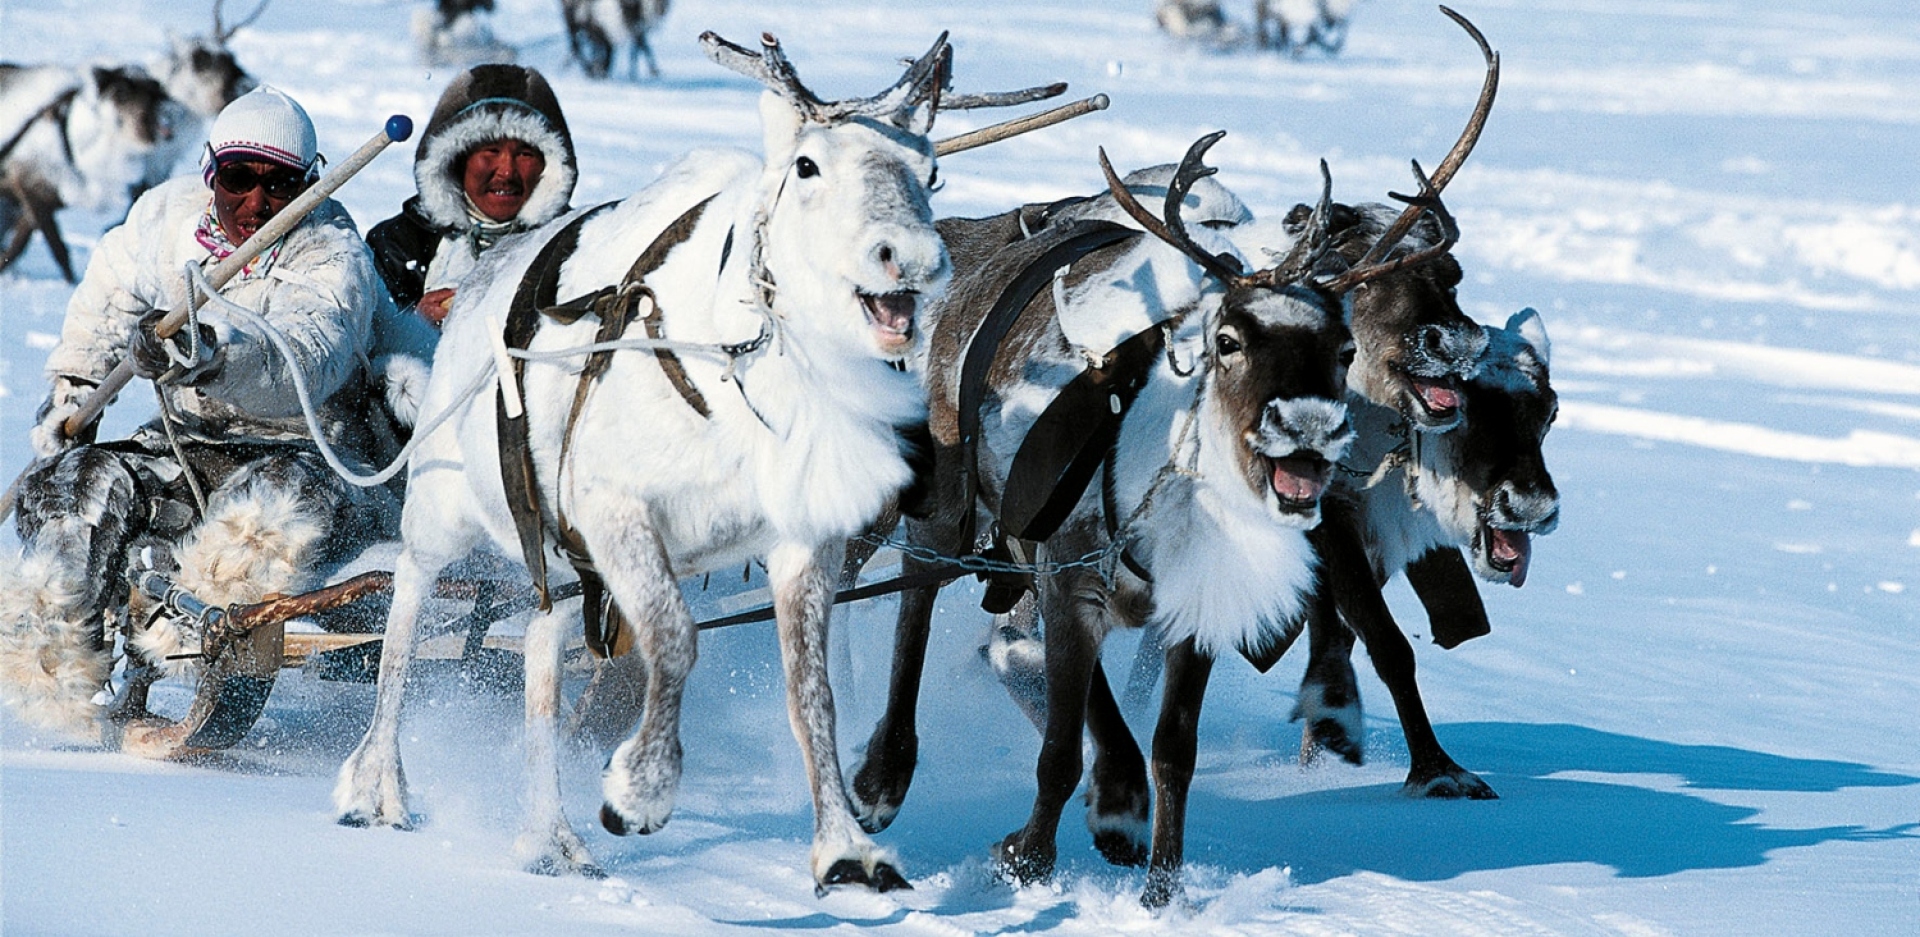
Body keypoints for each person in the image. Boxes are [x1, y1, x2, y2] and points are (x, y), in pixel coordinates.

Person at [0, 87, 415, 737]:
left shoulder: (334, 251)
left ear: (311, 181)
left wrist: (211, 354)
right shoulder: (163, 221)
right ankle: (60, 673)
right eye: (239, 177)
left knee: (269, 506)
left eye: (279, 184)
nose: (257, 201)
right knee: (74, 484)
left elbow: (306, 358)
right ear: (209, 169)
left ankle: (214, 662)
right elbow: (106, 302)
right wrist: (72, 392)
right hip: (188, 440)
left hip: (312, 453)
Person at [366, 64, 576, 326]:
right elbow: (368, 343)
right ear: (456, 159)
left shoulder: (573, 246)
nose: (507, 171)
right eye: (490, 151)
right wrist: (413, 325)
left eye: (525, 154)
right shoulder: (397, 246)